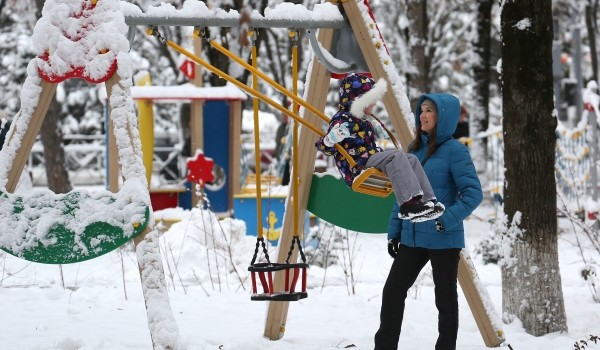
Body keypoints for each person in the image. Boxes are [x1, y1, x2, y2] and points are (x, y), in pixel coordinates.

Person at [374, 93, 483, 350]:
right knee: (392, 292)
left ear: (443, 116)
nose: (422, 115)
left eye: (429, 110)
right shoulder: (413, 150)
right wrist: (394, 232)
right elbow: (402, 195)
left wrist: (445, 219)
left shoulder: (456, 151)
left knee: (444, 300)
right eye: (421, 110)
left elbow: (473, 193)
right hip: (412, 236)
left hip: (443, 236)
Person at [315, 73, 444, 222]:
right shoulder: (341, 119)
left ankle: (428, 201)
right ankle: (408, 203)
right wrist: (330, 139)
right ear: (359, 101)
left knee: (411, 159)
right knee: (397, 156)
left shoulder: (365, 120)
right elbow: (326, 148)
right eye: (371, 101)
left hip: (370, 159)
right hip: (357, 165)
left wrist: (376, 130)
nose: (374, 104)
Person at [274, 112, 291, 186]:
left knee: (286, 172)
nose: (284, 118)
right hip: (282, 154)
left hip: (287, 154)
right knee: (282, 172)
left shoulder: (289, 128)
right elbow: (278, 142)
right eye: (283, 116)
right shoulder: (280, 128)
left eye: (286, 116)